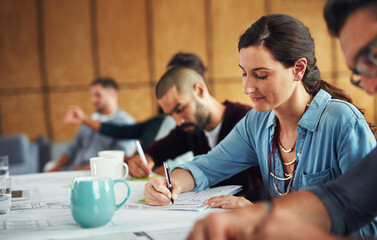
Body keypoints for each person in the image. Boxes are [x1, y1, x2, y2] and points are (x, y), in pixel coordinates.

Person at [144, 13, 377, 237]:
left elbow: (369, 230)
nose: (247, 88)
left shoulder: (341, 121)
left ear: (298, 69)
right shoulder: (258, 122)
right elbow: (207, 166)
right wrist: (169, 185)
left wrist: (264, 219)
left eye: (261, 75)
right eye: (244, 74)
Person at [130, 65, 265, 201]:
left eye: (180, 109)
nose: (178, 121)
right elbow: (158, 152)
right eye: (171, 115)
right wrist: (142, 163)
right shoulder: (189, 128)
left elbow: (269, 187)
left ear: (200, 90)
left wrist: (247, 201)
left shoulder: (248, 122)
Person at [63, 53, 207, 172]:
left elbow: (185, 169)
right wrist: (138, 162)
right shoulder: (161, 123)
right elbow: (122, 132)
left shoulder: (188, 126)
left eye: (174, 76)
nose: (166, 82)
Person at [45, 77, 136, 172]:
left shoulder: (126, 123)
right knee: (48, 167)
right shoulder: (90, 119)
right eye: (92, 95)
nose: (93, 100)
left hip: (94, 172)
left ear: (112, 93)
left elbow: (120, 159)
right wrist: (57, 167)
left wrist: (79, 169)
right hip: (73, 169)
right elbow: (73, 147)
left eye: (97, 95)